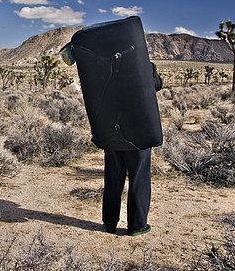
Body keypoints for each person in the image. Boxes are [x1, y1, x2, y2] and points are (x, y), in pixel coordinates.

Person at [60, 40, 161, 236]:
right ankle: (137, 225)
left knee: (113, 178)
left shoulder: (101, 66)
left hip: (112, 130)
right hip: (138, 130)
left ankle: (109, 222)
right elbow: (157, 85)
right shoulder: (145, 66)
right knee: (139, 178)